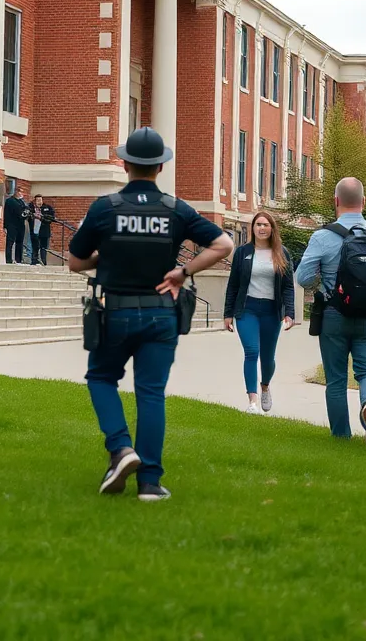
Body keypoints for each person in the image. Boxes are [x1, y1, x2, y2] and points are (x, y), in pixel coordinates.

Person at [69, 127, 233, 502]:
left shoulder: (105, 208)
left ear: (125, 164)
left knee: (101, 378)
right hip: (161, 315)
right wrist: (183, 272)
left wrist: (104, 257)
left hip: (116, 313)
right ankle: (150, 483)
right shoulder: (176, 210)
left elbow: (75, 262)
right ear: (160, 167)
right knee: (151, 394)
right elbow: (223, 244)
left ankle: (121, 448)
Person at [295, 177, 366, 447]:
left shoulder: (323, 236)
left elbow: (303, 278)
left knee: (336, 379)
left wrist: (324, 278)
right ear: (364, 202)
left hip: (334, 315)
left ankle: (341, 437)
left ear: (336, 201)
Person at [223, 210, 296, 415]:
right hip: (247, 309)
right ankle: (252, 400)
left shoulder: (282, 253)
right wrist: (228, 313)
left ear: (272, 229)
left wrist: (289, 313)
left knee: (268, 358)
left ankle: (265, 386)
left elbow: (288, 286)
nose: (262, 228)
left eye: (265, 225)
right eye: (258, 225)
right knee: (251, 351)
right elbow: (233, 285)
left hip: (272, 311)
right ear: (253, 228)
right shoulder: (242, 252)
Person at [29, 194, 55, 265]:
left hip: (44, 232)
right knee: (34, 248)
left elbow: (51, 219)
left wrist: (41, 218)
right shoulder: (31, 209)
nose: (39, 202)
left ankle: (43, 262)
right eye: (37, 200)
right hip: (34, 231)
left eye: (40, 200)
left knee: (43, 248)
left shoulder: (47, 208)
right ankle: (34, 261)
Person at [3, 185, 26, 264]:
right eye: (20, 192)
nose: (21, 194)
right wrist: (5, 226)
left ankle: (18, 259)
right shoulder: (10, 201)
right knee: (10, 242)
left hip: (21, 224)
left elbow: (25, 210)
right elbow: (7, 213)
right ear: (16, 192)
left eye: (22, 192)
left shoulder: (21, 201)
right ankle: (8, 259)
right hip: (12, 224)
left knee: (20, 242)